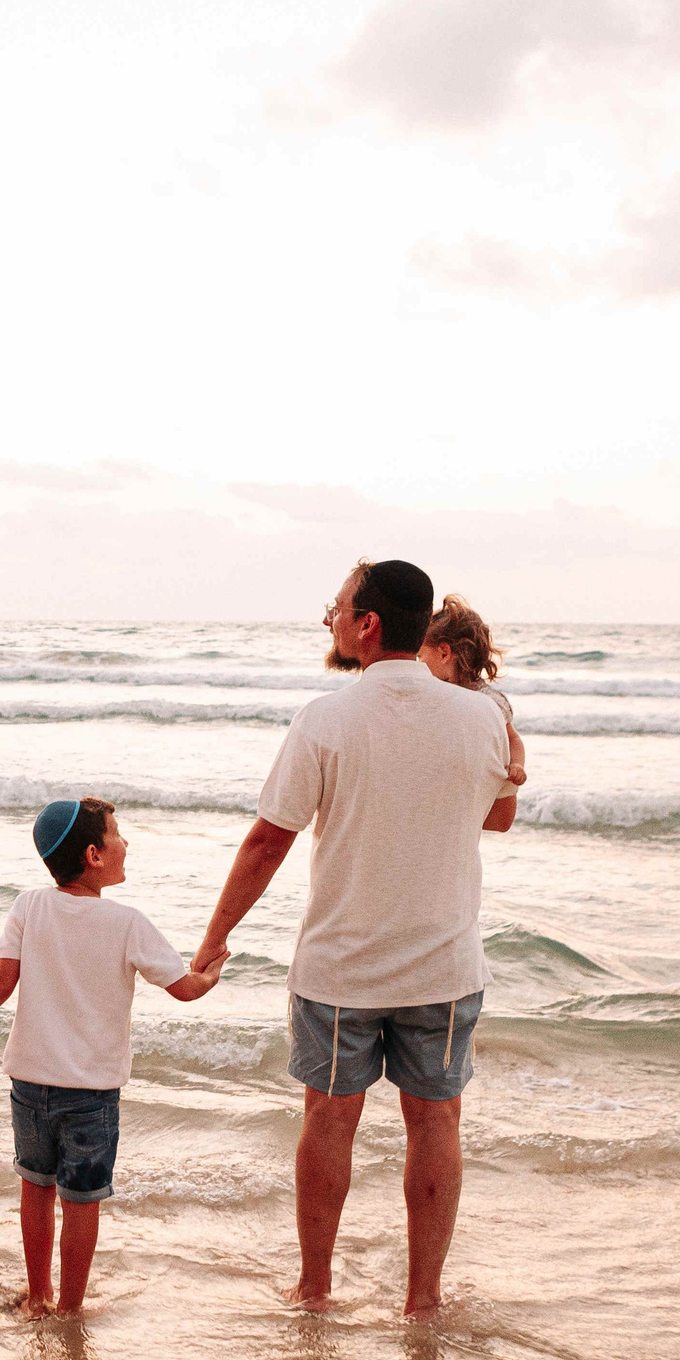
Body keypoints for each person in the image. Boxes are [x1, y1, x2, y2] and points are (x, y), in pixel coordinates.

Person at [190, 560, 516, 1315]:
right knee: (435, 1119)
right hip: (443, 962)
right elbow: (496, 818)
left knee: (329, 1117)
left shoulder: (326, 719)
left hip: (341, 968)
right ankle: (423, 1299)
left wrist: (214, 939)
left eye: (335, 609)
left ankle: (313, 1287)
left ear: (367, 624)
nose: (330, 619)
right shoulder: (480, 718)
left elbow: (269, 842)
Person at [0, 798, 223, 1316]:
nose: (125, 843)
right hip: (91, 1094)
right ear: (93, 854)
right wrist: (209, 974)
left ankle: (38, 1296)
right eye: (117, 834)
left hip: (29, 1085)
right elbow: (184, 989)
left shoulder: (28, 905)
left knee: (35, 1190)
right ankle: (70, 1308)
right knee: (82, 1201)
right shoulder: (127, 922)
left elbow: (1, 983)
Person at [423, 594, 526, 787]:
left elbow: (513, 738)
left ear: (444, 653)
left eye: (421, 656)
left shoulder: (489, 701)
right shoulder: (434, 695)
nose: (420, 664)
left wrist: (517, 765)